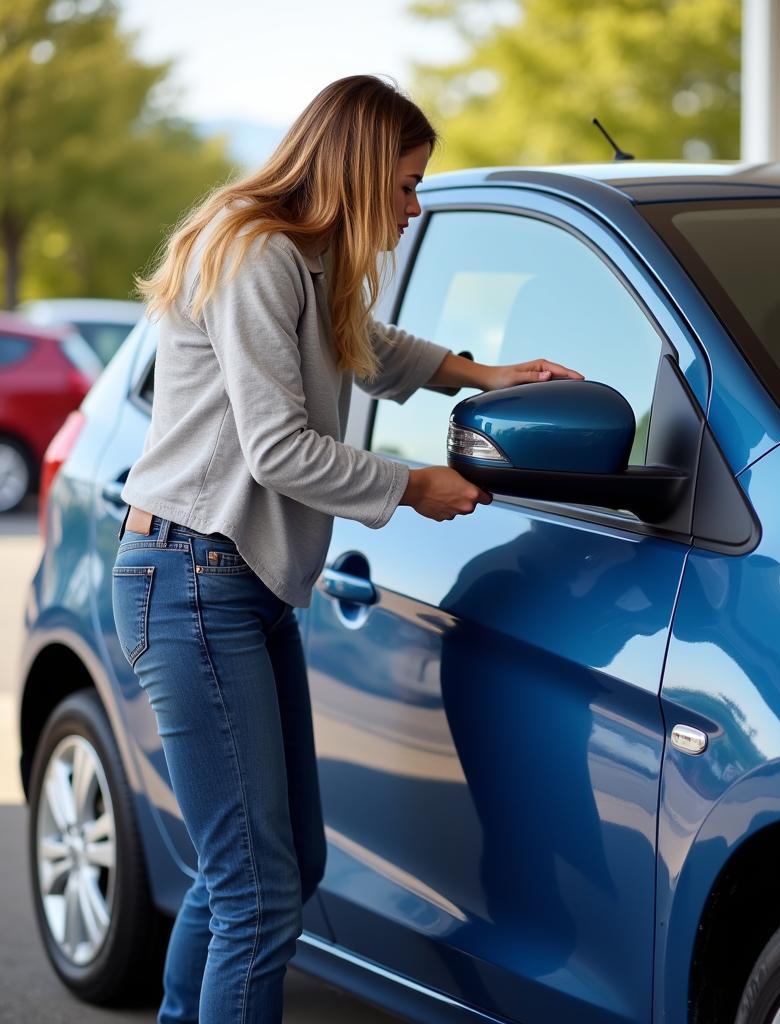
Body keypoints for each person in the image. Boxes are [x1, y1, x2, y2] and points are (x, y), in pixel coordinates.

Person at [110, 74, 581, 1024]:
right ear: (360, 173)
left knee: (263, 867)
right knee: (257, 888)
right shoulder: (256, 257)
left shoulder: (303, 264)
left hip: (232, 582)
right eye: (406, 185)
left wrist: (475, 373)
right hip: (194, 581)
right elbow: (277, 448)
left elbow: (359, 341)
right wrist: (412, 487)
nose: (414, 206)